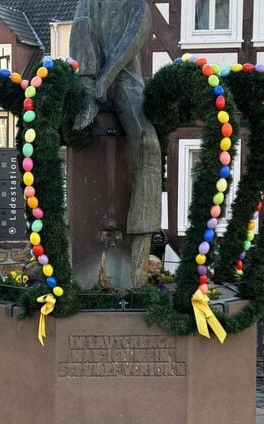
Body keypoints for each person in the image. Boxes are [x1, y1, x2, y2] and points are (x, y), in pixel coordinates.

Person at [70, 0, 163, 287]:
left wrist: (105, 79)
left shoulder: (136, 5)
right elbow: (81, 33)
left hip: (125, 81)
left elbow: (131, 41)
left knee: (147, 143)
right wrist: (89, 85)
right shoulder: (88, 3)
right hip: (89, 84)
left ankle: (140, 255)